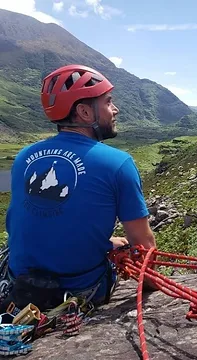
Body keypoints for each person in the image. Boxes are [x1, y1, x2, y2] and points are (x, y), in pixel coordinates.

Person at [3, 64, 157, 311]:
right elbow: (143, 245)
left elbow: (32, 222)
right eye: (108, 102)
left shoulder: (24, 156)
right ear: (85, 112)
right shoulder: (118, 163)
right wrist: (152, 286)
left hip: (18, 284)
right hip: (80, 291)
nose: (115, 109)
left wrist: (104, 241)